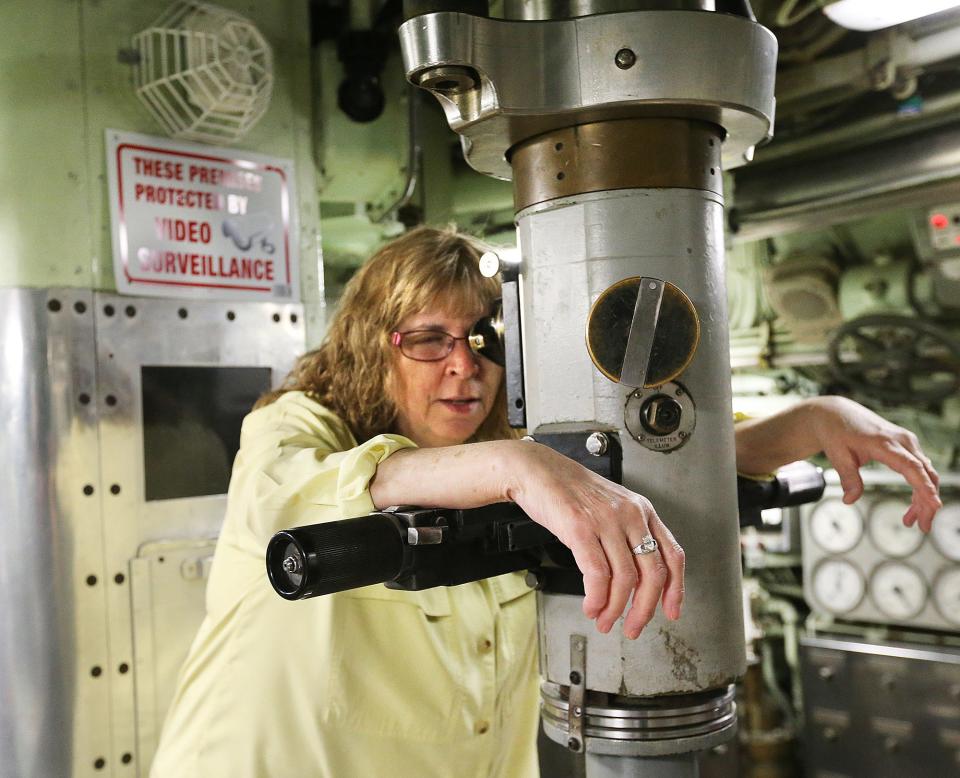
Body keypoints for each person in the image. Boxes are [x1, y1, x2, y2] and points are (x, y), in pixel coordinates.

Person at [151, 226, 941, 778]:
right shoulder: (297, 424)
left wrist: (812, 419)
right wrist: (518, 468)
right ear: (371, 342)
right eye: (429, 339)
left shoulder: (505, 449)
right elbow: (301, 497)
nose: (463, 365)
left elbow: (667, 460)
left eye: (485, 338)